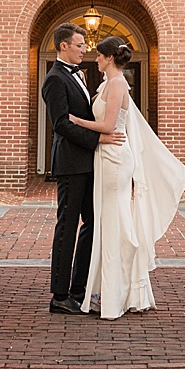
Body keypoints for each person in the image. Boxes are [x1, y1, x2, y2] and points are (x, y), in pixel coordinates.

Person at [67, 35, 185, 319]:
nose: (95, 59)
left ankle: (118, 294)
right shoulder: (106, 84)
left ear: (109, 58)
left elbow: (109, 125)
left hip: (114, 159)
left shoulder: (117, 83)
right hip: (105, 155)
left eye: (99, 56)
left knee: (114, 222)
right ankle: (104, 291)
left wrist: (75, 121)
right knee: (105, 221)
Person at [43, 22, 123, 315]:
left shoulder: (80, 75)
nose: (84, 50)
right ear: (64, 46)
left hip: (89, 163)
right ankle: (59, 295)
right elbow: (61, 124)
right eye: (80, 45)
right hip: (70, 164)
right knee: (67, 227)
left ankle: (80, 288)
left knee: (93, 223)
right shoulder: (54, 79)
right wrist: (100, 138)